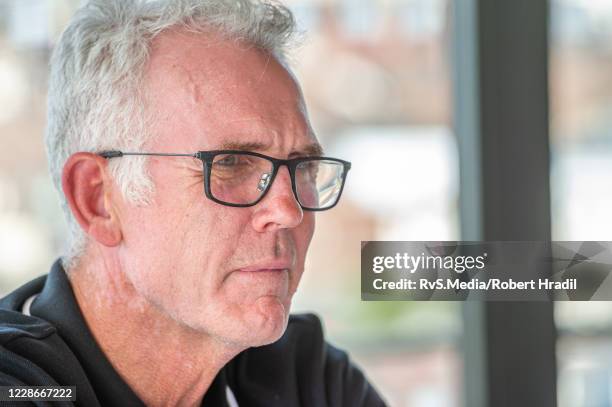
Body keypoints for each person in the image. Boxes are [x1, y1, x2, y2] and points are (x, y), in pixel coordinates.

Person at [0, 0, 385, 406]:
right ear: (97, 199)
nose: (289, 211)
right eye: (232, 163)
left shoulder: (306, 380)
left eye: (302, 166)